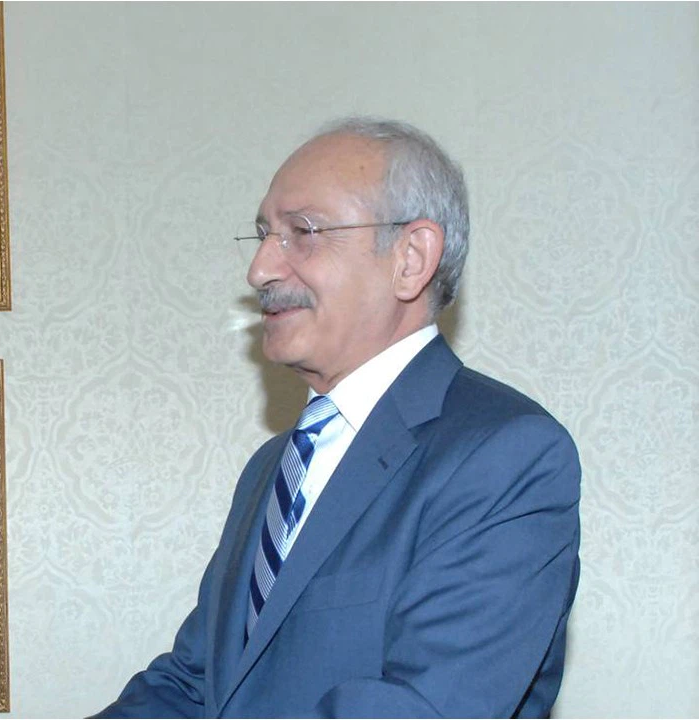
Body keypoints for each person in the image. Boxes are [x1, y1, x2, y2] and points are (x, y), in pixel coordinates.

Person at [98, 118, 581, 717]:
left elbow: (422, 708)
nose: (259, 270)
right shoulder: (271, 468)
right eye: (263, 235)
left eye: (303, 232)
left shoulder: (505, 455)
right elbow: (196, 686)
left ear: (411, 259)